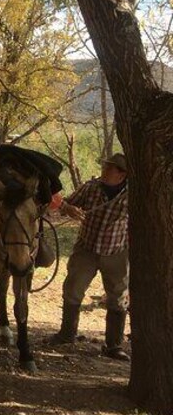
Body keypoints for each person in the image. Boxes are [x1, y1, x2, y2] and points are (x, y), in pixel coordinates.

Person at [51, 153, 130, 361]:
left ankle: (114, 345)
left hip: (116, 252)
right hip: (86, 249)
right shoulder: (91, 187)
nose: (104, 171)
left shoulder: (134, 194)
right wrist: (68, 209)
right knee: (72, 289)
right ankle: (67, 334)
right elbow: (66, 204)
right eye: (105, 167)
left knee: (117, 297)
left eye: (109, 168)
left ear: (122, 175)